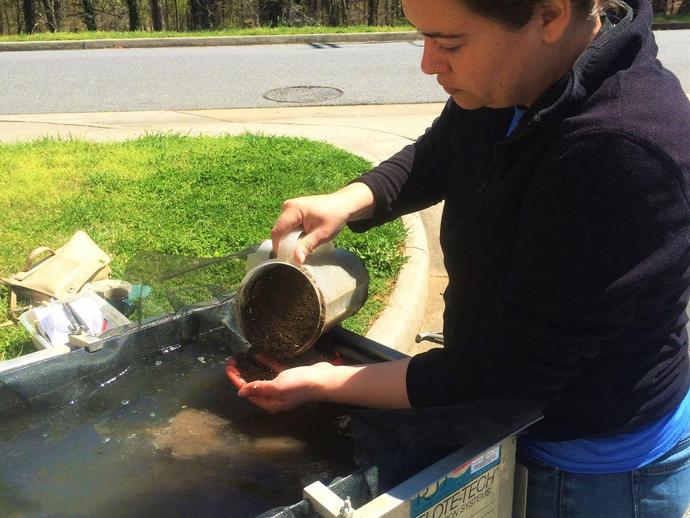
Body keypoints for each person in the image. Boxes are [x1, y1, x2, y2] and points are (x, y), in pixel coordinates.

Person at [226, 0, 690, 515]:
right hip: (517, 409)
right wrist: (353, 199)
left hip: (589, 464)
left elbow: (506, 372)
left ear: (551, 16)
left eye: (448, 44)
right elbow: (446, 148)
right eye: (422, 37)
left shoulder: (618, 152)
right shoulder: (515, 78)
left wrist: (326, 382)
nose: (429, 63)